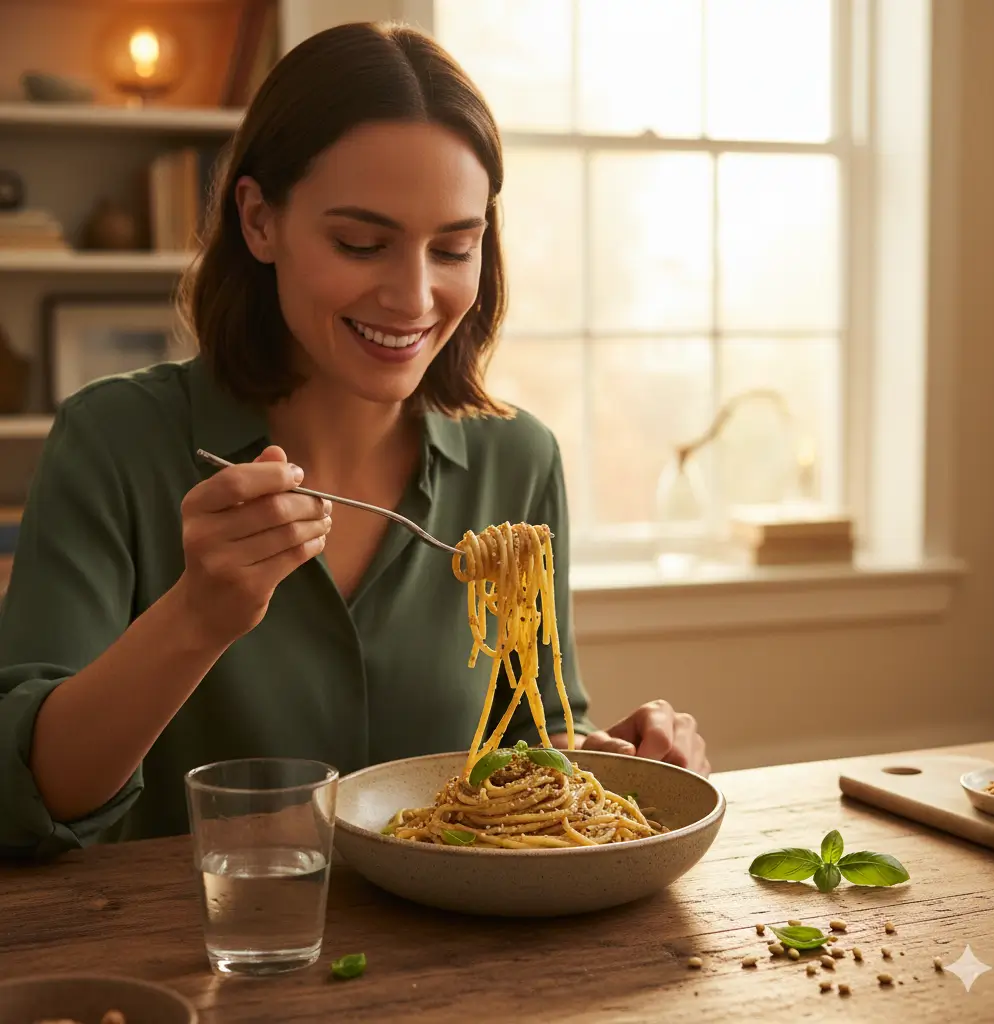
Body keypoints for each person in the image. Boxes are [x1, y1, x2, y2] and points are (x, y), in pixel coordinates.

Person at [0, 22, 708, 860]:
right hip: (201, 959)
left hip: (465, 965)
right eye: (361, 243)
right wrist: (197, 617)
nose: (413, 297)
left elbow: (531, 743)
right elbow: (29, 796)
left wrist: (614, 759)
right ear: (260, 221)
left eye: (454, 247)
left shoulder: (519, 459)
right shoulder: (113, 441)